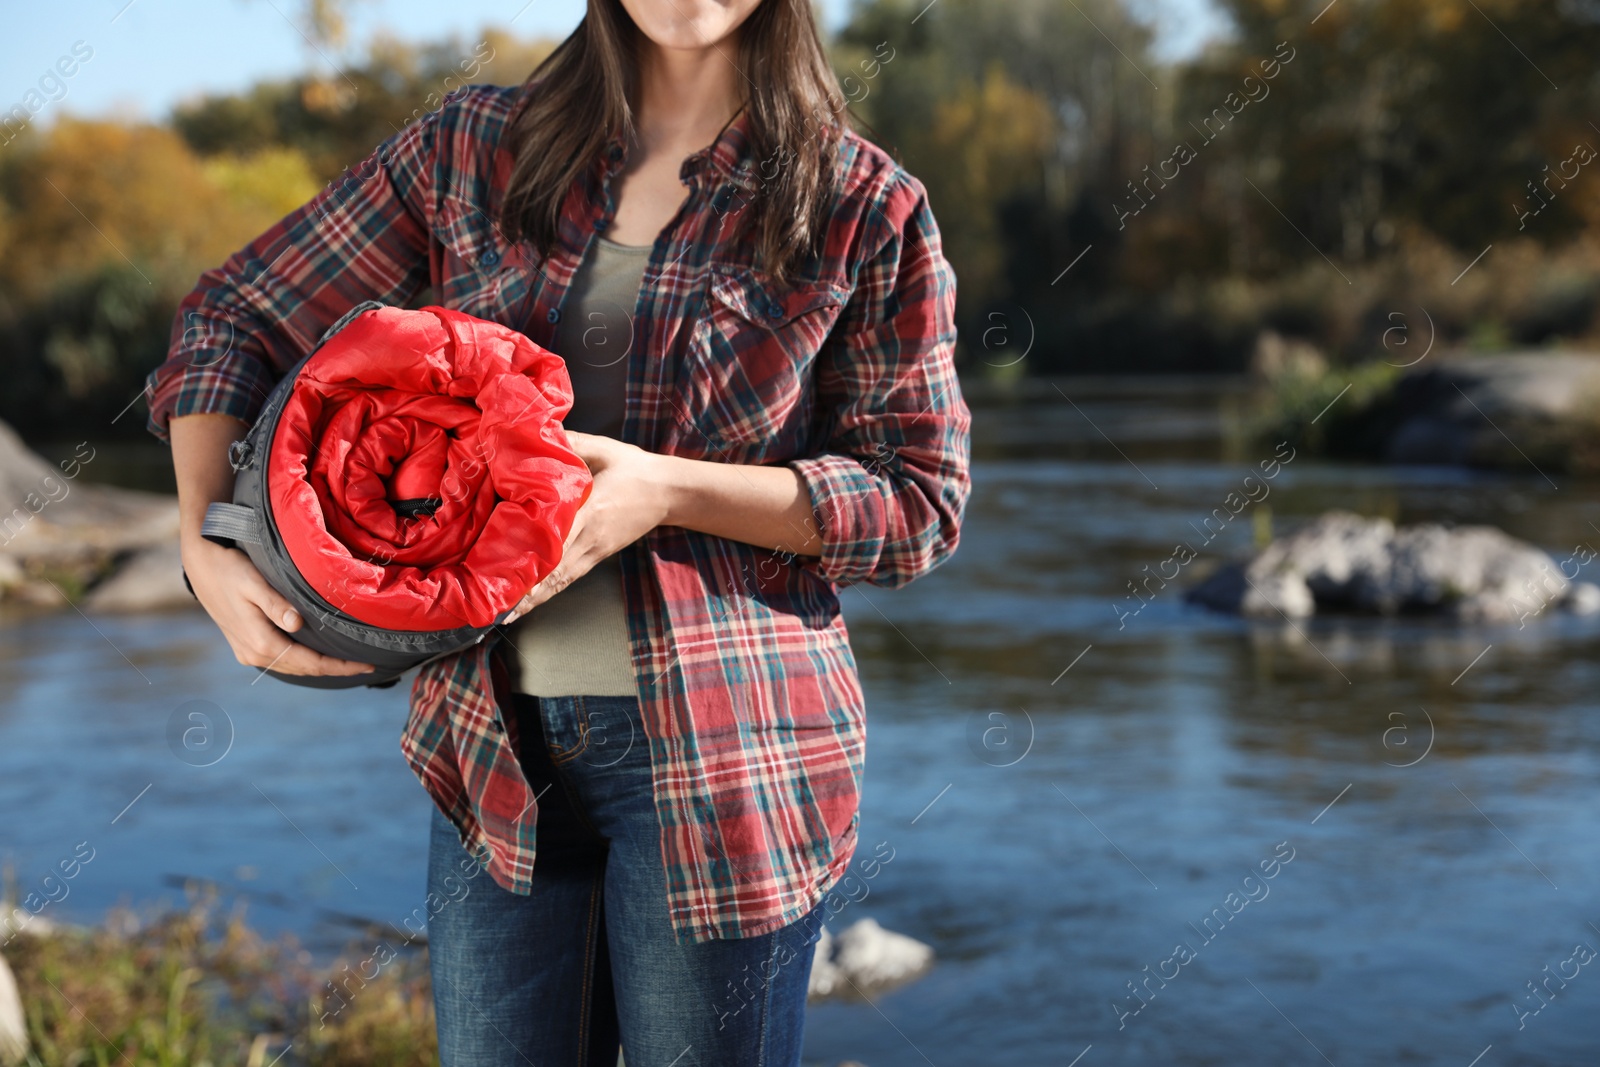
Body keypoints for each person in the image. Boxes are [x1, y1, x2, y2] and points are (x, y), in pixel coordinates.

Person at [145, 0, 970, 1061]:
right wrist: (200, 539)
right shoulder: (470, 148)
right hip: (491, 751)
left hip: (731, 763)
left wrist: (668, 489)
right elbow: (233, 316)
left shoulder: (863, 202)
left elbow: (916, 499)